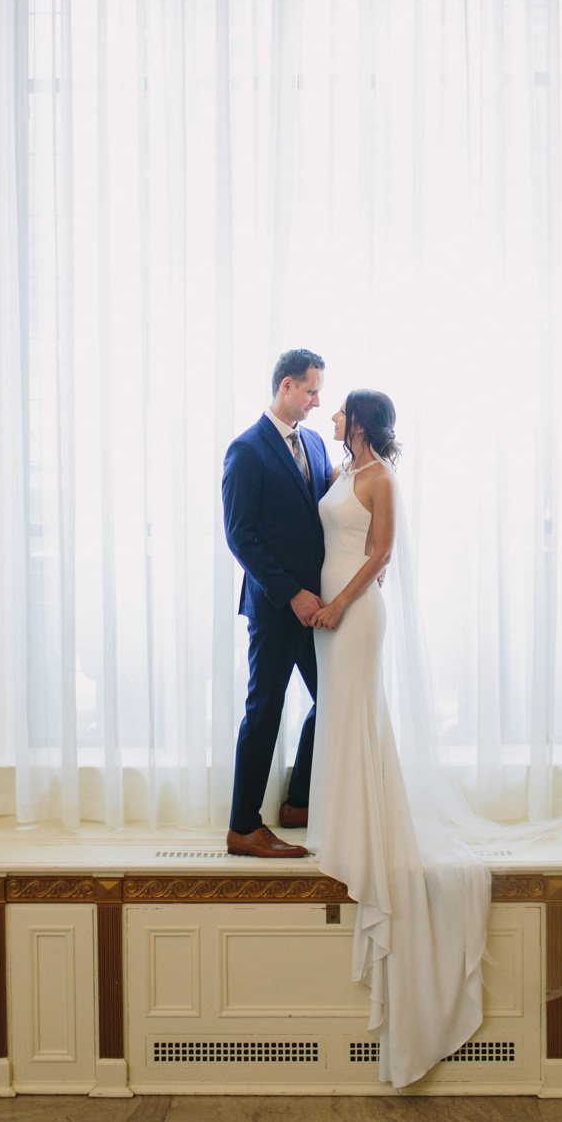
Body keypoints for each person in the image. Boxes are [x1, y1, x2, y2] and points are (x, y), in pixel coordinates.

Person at [307, 388, 491, 1089]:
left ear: (360, 420)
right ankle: (344, 824)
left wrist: (339, 602)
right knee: (341, 717)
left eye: (339, 412)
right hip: (326, 607)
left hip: (355, 611)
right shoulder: (337, 473)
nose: (331, 419)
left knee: (358, 712)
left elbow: (381, 551)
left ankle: (369, 838)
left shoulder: (381, 477)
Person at [222, 349, 335, 858]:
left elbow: (324, 522)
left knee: (332, 700)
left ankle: (298, 802)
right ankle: (243, 826)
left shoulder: (313, 442)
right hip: (274, 609)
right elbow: (241, 537)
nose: (316, 402)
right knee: (263, 712)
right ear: (286, 386)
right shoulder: (246, 450)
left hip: (319, 608)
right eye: (311, 391)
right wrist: (291, 593)